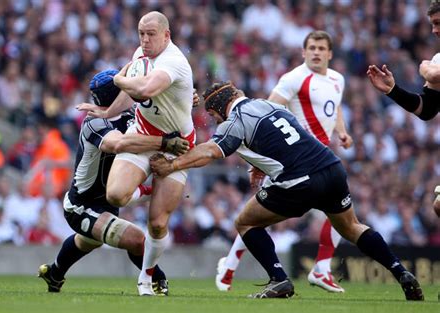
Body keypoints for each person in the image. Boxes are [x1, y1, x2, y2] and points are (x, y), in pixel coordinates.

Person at [150, 81, 424, 301]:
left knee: (245, 222)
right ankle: (400, 272)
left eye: (212, 114)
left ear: (219, 107)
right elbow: (288, 138)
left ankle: (278, 278)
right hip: (331, 167)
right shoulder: (269, 105)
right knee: (351, 227)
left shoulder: (235, 119)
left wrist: (172, 164)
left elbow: (212, 150)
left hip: (299, 180)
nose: (213, 118)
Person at [215, 30, 352, 293]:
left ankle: (322, 268)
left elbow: (335, 108)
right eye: (311, 47)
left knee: (340, 210)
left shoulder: (337, 79)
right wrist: (256, 162)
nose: (316, 52)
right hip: (290, 159)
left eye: (321, 48)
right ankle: (229, 266)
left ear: (330, 53)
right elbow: (266, 109)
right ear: (303, 51)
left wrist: (342, 131)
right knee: (257, 217)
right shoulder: (293, 78)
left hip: (319, 158)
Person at [38, 69, 189, 294]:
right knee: (137, 240)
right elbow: (118, 144)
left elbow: (162, 113)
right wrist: (163, 143)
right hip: (82, 205)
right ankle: (157, 279)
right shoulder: (93, 123)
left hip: (108, 204)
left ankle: (54, 274)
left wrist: (186, 99)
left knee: (87, 241)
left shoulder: (130, 116)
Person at [79, 11, 195, 296]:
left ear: (166, 35)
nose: (145, 39)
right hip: (143, 133)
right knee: (115, 195)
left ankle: (146, 277)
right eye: (141, 33)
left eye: (151, 33)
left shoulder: (173, 62)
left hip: (177, 143)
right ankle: (144, 188)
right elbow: (132, 93)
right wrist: (108, 111)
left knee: (157, 223)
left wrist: (118, 80)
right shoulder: (140, 54)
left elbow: (143, 88)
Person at [367, 0, 440, 217]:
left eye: (438, 23)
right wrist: (393, 91)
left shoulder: (433, 65)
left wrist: (424, 67)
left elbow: (435, 75)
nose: (434, 30)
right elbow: (427, 109)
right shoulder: (437, 60)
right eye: (432, 25)